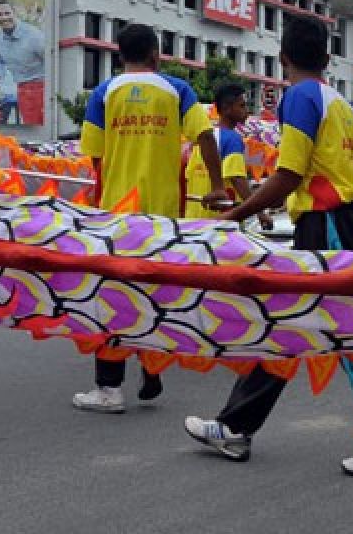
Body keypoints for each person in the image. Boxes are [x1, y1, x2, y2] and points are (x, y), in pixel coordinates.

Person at [184, 17, 353, 477]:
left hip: (326, 227)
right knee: (286, 325)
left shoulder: (299, 97)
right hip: (334, 224)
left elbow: (290, 174)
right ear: (328, 59)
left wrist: (236, 214)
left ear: (282, 58)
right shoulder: (343, 106)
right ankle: (236, 428)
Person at [73, 23, 225, 413]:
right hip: (163, 216)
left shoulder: (104, 93)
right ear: (156, 54)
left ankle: (109, 390)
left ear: (120, 55)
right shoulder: (178, 90)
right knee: (155, 293)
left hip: (117, 214)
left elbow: (94, 155)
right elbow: (206, 137)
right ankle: (153, 369)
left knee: (111, 298)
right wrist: (219, 186)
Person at [182, 83, 270, 229]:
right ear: (227, 108)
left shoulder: (202, 139)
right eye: (242, 106)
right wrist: (259, 212)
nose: (246, 112)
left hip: (192, 220)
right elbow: (237, 178)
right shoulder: (232, 139)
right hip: (221, 224)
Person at [0, 0, 47, 125]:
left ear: (14, 13)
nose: (4, 17)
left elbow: (50, 60)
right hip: (22, 88)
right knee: (30, 125)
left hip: (42, 86)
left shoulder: (34, 35)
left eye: (7, 13)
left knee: (42, 127)